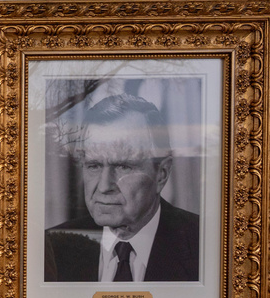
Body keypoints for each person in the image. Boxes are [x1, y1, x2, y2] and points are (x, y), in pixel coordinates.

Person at [44, 93, 200, 282]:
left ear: (161, 174)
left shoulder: (206, 244)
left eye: (123, 167)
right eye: (94, 166)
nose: (104, 187)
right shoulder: (52, 248)